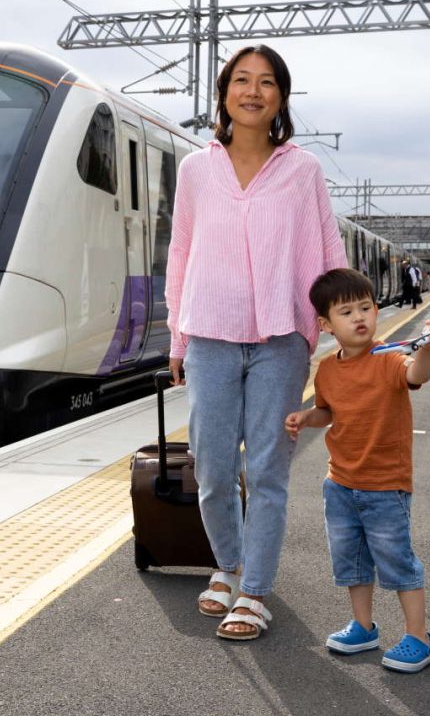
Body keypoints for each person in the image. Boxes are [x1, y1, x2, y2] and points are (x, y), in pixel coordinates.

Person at [165, 44, 348, 641]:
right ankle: (229, 565)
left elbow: (328, 251)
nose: (252, 91)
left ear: (281, 97)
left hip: (280, 338)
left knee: (267, 469)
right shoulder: (197, 170)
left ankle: (256, 591)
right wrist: (177, 333)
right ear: (223, 95)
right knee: (215, 470)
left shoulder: (303, 171)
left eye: (266, 82)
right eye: (241, 80)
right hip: (210, 335)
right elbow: (180, 252)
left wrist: (337, 329)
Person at [284, 267, 430, 672]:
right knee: (351, 561)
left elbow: (416, 374)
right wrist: (307, 418)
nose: (360, 318)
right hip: (339, 483)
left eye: (366, 308)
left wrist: (426, 350)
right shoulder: (329, 370)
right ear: (325, 325)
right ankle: (362, 625)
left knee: (397, 561)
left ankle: (418, 636)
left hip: (386, 484)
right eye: (346, 312)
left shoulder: (389, 357)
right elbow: (327, 413)